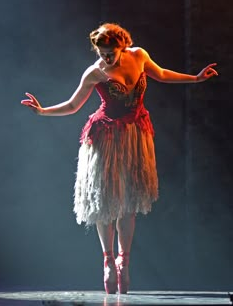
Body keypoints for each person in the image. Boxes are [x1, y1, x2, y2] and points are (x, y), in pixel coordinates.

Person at [21, 22, 218, 294]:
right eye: (102, 53)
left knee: (129, 200)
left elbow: (160, 73)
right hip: (106, 136)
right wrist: (43, 111)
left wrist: (195, 79)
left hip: (135, 134)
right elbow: (72, 105)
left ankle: (124, 259)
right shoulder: (94, 72)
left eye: (110, 53)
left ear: (122, 46)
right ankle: (107, 259)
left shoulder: (138, 56)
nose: (106, 58)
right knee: (105, 200)